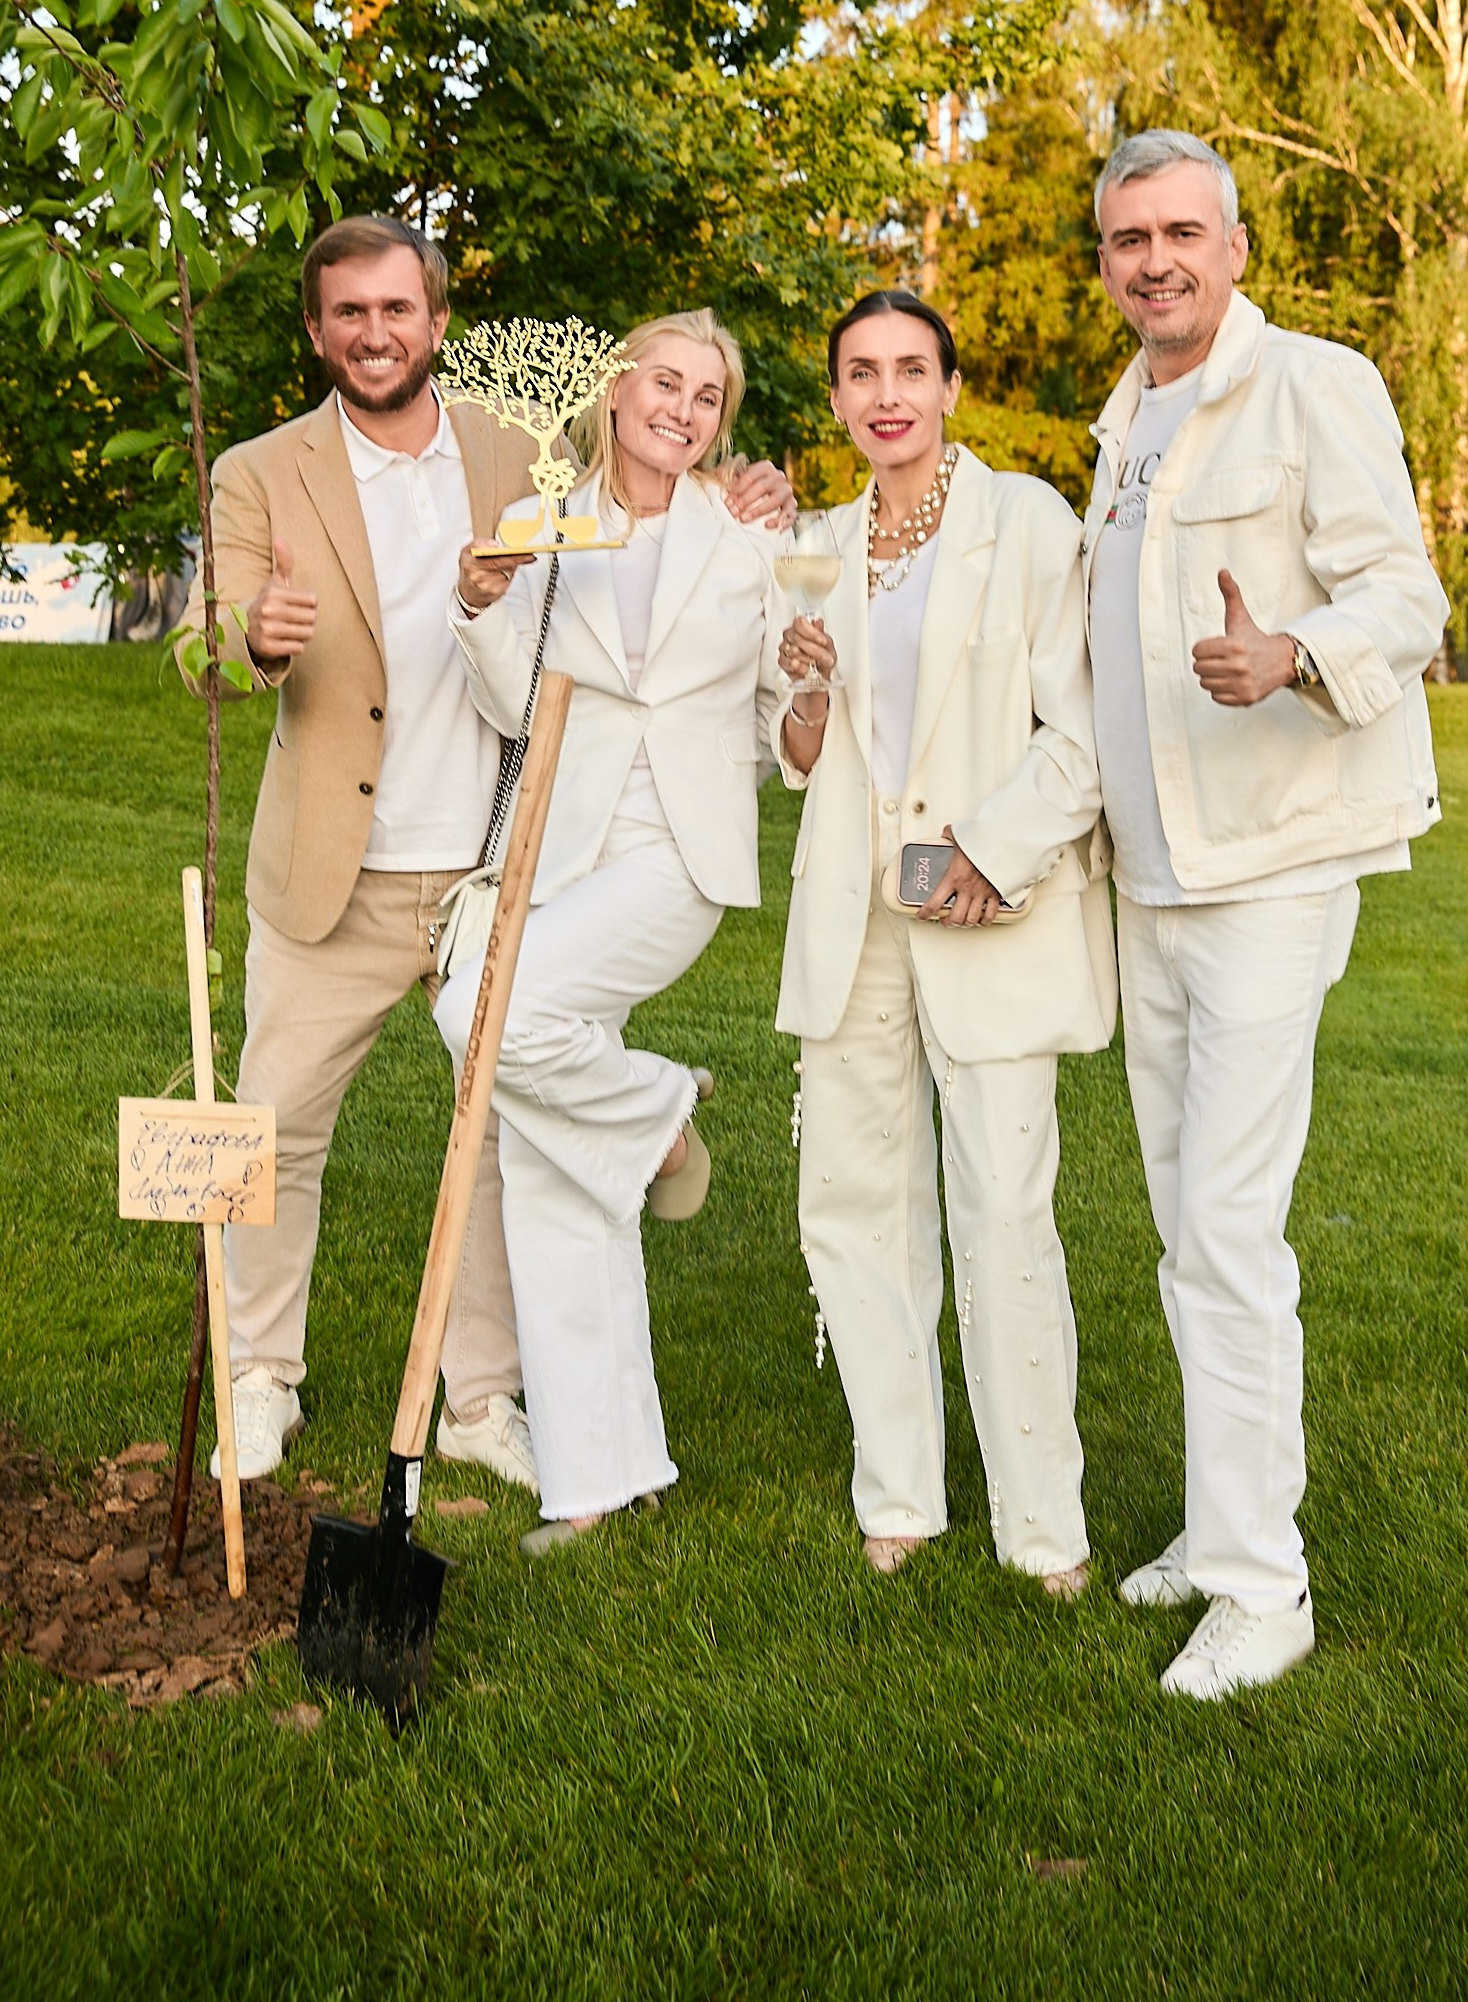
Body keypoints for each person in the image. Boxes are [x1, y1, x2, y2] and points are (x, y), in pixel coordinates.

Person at [198, 222, 791, 1485]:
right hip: (335, 865)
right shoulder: (259, 470)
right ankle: (259, 1374)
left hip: (494, 859)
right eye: (348, 312)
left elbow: (653, 487)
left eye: (397, 309)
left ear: (436, 321)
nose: (374, 332)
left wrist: (746, 491)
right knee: (269, 1129)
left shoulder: (514, 452)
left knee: (497, 1126)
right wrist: (251, 635)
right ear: (316, 330)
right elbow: (204, 645)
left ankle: (480, 1396)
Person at [1086, 128, 1448, 1699]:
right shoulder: (1121, 424)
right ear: (1105, 264)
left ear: (1232, 248)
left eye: (1181, 232)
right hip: (1152, 878)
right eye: (1127, 239)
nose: (1154, 259)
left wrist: (1290, 654)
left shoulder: (1312, 383)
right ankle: (1217, 1521)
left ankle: (1261, 1590)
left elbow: (1405, 593)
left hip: (1270, 869)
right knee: (1186, 1229)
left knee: (1227, 1230)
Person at [774, 290, 1117, 1593]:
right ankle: (900, 1492)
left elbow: (1081, 733)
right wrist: (805, 690)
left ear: (952, 386)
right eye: (860, 373)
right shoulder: (815, 545)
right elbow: (797, 754)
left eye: (910, 368)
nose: (886, 395)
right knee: (854, 1208)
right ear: (836, 398)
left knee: (1004, 1210)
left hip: (986, 909)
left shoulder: (1025, 522)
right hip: (852, 919)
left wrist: (991, 849)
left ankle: (1043, 1525)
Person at [434, 308, 790, 1554]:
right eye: (666, 383)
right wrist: (479, 600)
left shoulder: (750, 536)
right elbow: (508, 699)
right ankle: (599, 1473)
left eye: (708, 396)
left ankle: (658, 1108)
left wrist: (800, 709)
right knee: (547, 1161)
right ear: (616, 390)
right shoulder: (541, 521)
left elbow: (780, 704)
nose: (684, 410)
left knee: (484, 1017)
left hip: (676, 854)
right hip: (557, 846)